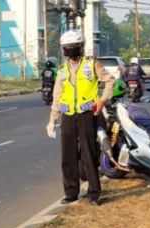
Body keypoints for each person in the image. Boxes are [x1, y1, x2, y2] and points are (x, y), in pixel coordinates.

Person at [45, 29, 115, 206]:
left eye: (73, 47)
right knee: (67, 156)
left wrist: (102, 100)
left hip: (87, 114)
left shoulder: (92, 65)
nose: (70, 50)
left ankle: (93, 192)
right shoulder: (61, 71)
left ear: (81, 47)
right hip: (68, 116)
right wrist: (52, 119)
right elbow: (57, 95)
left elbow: (110, 81)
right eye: (67, 47)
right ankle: (71, 192)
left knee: (88, 154)